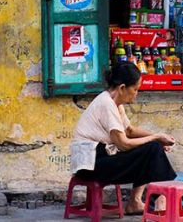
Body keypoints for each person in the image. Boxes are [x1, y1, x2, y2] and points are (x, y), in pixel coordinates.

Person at [70, 62, 176, 214]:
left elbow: (129, 130)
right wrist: (155, 138)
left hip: (99, 159)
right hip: (90, 165)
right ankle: (159, 199)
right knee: (151, 149)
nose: (136, 94)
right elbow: (124, 144)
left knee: (152, 149)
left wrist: (158, 138)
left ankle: (136, 202)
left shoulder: (115, 102)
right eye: (135, 89)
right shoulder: (106, 104)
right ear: (122, 88)